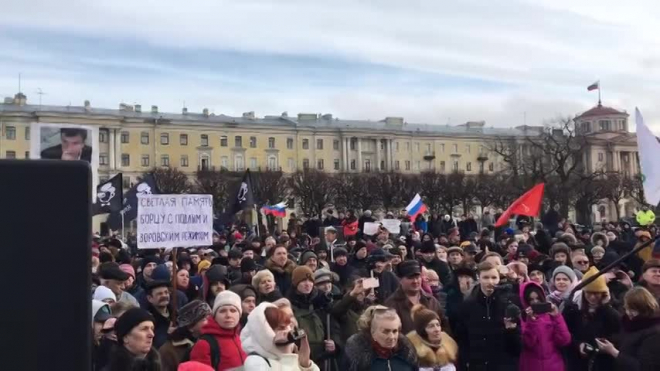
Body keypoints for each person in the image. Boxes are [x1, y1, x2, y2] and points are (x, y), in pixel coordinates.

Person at [454, 261, 522, 371]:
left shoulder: (508, 305)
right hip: (477, 365)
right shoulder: (468, 305)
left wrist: (511, 330)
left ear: (499, 279)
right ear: (478, 278)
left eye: (494, 277)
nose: (490, 281)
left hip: (504, 365)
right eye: (485, 277)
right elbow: (462, 338)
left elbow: (517, 347)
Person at [563, 267, 621, 371]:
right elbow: (567, 334)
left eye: (596, 293)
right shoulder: (574, 311)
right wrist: (579, 344)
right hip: (578, 363)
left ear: (603, 293)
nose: (592, 297)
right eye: (589, 292)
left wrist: (606, 346)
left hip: (603, 364)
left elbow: (620, 337)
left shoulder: (611, 313)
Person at [241, 302, 321, 370]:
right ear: (265, 331)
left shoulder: (292, 356)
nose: (287, 331)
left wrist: (306, 364)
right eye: (281, 328)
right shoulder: (255, 361)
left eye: (288, 326)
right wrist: (285, 358)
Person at [596, 287, 660, 370]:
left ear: (644, 308)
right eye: (627, 308)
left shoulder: (654, 332)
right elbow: (625, 340)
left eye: (633, 310)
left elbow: (643, 367)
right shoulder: (629, 323)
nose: (629, 313)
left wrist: (613, 352)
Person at [342, 305, 418, 370]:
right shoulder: (358, 358)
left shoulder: (407, 357)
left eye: (395, 331)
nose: (391, 337)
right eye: (385, 331)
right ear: (372, 332)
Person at [518, 281, 571, 371]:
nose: (535, 302)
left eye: (538, 298)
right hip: (531, 365)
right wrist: (531, 321)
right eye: (531, 299)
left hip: (554, 365)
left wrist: (557, 317)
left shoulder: (550, 315)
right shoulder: (523, 318)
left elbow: (564, 340)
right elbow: (528, 343)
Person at [287, 266, 333, 366]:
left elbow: (331, 326)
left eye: (310, 281)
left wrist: (334, 343)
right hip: (300, 358)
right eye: (303, 281)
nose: (308, 284)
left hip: (322, 357)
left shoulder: (320, 302)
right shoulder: (289, 305)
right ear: (295, 283)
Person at [385, 260, 447, 335]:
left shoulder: (431, 300)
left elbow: (444, 325)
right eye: (410, 278)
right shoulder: (392, 304)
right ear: (400, 279)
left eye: (417, 277)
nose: (415, 281)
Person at [189, 291, 246, 370]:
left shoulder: (241, 338)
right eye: (222, 311)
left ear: (239, 315)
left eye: (233, 310)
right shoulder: (204, 344)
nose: (228, 315)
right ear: (215, 316)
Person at [158, 300, 211, 371]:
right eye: (204, 319)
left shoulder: (212, 342)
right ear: (191, 326)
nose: (210, 322)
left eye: (211, 318)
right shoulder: (168, 351)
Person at [406, 304, 458, 371]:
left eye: (438, 325)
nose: (437, 329)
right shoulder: (413, 353)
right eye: (431, 326)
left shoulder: (449, 351)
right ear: (422, 331)